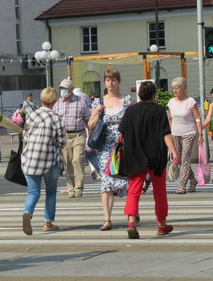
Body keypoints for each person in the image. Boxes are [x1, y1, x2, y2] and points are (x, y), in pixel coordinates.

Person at [119, 81, 180, 239]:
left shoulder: (131, 110)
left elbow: (122, 132)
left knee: (134, 190)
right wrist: (174, 152)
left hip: (135, 155)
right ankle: (161, 225)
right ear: (154, 95)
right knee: (159, 191)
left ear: (139, 94)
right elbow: (166, 133)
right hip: (156, 156)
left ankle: (131, 222)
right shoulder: (159, 110)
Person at [88, 68, 132, 231]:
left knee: (126, 181)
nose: (110, 83)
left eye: (113, 80)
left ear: (118, 81)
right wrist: (97, 113)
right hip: (105, 146)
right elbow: (90, 126)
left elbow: (133, 122)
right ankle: (107, 219)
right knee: (106, 183)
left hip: (123, 145)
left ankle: (131, 214)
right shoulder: (98, 102)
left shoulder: (126, 100)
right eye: (107, 80)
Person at [21, 87, 66, 235]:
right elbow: (62, 142)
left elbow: (25, 137)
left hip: (30, 160)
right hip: (50, 161)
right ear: (54, 101)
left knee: (33, 192)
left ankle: (27, 212)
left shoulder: (32, 116)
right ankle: (48, 222)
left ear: (41, 99)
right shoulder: (56, 118)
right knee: (51, 192)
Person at [53, 79, 91, 198]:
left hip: (79, 135)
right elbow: (54, 120)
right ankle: (70, 187)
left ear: (71, 89)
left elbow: (88, 120)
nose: (62, 91)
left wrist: (90, 139)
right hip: (64, 136)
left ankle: (79, 187)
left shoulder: (81, 102)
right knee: (68, 162)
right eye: (61, 88)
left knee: (77, 159)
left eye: (64, 88)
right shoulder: (58, 103)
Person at [167, 77, 203, 194]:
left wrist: (200, 134)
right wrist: (169, 133)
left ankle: (182, 185)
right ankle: (192, 180)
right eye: (173, 89)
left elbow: (197, 118)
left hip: (189, 133)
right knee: (179, 159)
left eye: (177, 88)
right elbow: (170, 118)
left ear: (184, 88)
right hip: (175, 133)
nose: (175, 91)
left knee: (185, 159)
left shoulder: (191, 101)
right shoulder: (171, 102)